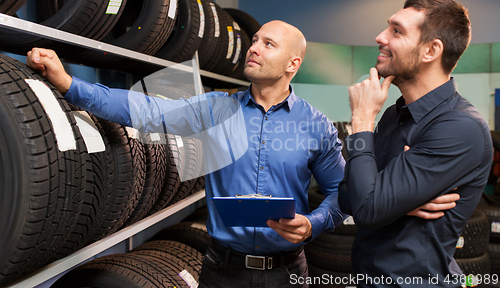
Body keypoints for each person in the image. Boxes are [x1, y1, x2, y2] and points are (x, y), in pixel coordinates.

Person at [27, 19, 455, 287]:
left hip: (288, 272)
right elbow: (145, 110)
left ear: (293, 64)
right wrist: (70, 84)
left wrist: (312, 225)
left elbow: (343, 194)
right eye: (254, 40)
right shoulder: (216, 109)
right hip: (220, 271)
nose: (254, 47)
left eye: (268, 44)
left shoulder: (316, 125)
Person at [339, 0, 492, 287]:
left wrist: (360, 120)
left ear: (431, 50)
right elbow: (348, 197)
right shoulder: (392, 116)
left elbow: (368, 208)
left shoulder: (460, 127)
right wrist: (394, 199)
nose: (379, 37)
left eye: (397, 31)